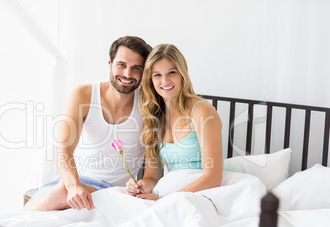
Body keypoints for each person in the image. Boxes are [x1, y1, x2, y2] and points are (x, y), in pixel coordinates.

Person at [24, 36, 152, 211]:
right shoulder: (83, 95)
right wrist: (74, 186)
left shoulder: (147, 105)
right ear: (110, 64)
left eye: (136, 68)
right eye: (121, 65)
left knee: (67, 196)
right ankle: (26, 215)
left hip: (115, 191)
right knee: (61, 190)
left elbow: (152, 166)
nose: (128, 74)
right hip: (74, 181)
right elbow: (63, 148)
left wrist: (140, 187)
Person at [126, 44, 223, 200]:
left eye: (171, 72)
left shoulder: (202, 112)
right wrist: (141, 186)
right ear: (150, 79)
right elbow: (153, 177)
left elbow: (213, 178)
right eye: (157, 75)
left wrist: (164, 201)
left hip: (203, 194)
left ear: (182, 74)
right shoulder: (153, 118)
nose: (165, 81)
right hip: (172, 194)